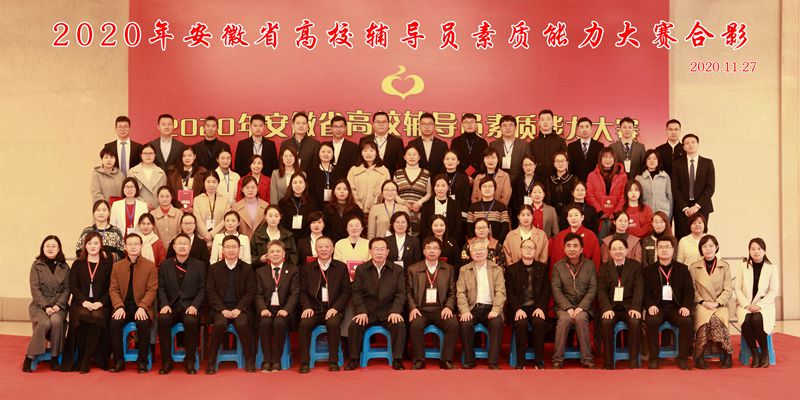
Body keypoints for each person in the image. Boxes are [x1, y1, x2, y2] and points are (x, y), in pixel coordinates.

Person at [345, 237, 407, 370]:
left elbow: (401, 293)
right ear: (370, 251)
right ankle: (354, 359)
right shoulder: (361, 269)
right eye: (376, 249)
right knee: (354, 326)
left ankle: (397, 359)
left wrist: (395, 311)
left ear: (387, 252)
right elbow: (356, 293)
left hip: (388, 312)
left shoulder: (397, 270)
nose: (379, 252)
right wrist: (361, 311)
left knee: (399, 325)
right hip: (368, 312)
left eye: (382, 249)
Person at [298, 236, 351, 372]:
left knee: (333, 324)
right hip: (314, 309)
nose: (323, 249)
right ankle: (305, 362)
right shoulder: (307, 268)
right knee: (304, 324)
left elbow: (346, 291)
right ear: (315, 249)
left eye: (327, 246)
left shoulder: (341, 267)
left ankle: (333, 361)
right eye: (320, 247)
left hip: (333, 309)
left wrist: (335, 308)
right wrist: (307, 307)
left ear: (332, 249)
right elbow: (302, 292)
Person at [61, 232, 113, 373]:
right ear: (85, 246)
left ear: (101, 245)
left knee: (97, 316)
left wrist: (101, 302)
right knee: (82, 317)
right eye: (89, 243)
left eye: (96, 243)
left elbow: (112, 288)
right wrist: (84, 301)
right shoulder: (78, 264)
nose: (92, 246)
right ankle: (84, 356)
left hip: (101, 303)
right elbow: (73, 286)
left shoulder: (108, 264)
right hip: (81, 302)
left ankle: (86, 359)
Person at [205, 235, 258, 373]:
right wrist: (222, 309)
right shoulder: (214, 268)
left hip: (241, 309)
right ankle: (211, 362)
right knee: (220, 324)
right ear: (222, 249)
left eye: (234, 247)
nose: (231, 250)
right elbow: (210, 292)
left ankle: (249, 360)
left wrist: (239, 309)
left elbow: (251, 291)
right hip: (220, 309)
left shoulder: (247, 268)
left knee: (242, 324)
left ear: (239, 249)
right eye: (228, 247)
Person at [156, 233, 206, 374]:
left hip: (190, 306)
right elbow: (161, 288)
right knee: (163, 319)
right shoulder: (165, 265)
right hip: (171, 306)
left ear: (190, 247)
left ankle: (189, 360)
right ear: (174, 246)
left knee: (191, 321)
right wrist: (164, 304)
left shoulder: (199, 265)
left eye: (185, 243)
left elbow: (202, 289)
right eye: (179, 243)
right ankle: (167, 361)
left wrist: (194, 305)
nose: (182, 246)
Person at [406, 237, 459, 370]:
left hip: (440, 309)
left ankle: (446, 360)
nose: (432, 251)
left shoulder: (448, 269)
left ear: (440, 251)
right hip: (421, 309)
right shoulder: (413, 269)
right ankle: (419, 360)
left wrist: (448, 307)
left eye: (435, 248)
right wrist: (413, 307)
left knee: (453, 324)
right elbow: (408, 292)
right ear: (423, 251)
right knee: (416, 325)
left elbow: (453, 292)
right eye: (428, 248)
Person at [108, 233, 158, 373]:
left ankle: (142, 361)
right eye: (130, 244)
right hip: (123, 307)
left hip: (142, 307)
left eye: (136, 244)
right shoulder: (117, 266)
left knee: (143, 323)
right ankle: (119, 360)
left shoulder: (150, 266)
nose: (133, 247)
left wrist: (142, 307)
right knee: (114, 323)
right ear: (125, 247)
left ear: (141, 246)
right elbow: (113, 289)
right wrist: (118, 306)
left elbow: (152, 290)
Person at [643, 236, 694, 370]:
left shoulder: (683, 269)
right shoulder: (649, 270)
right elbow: (645, 292)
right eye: (660, 247)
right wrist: (650, 305)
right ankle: (654, 358)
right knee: (651, 321)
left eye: (667, 247)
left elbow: (689, 291)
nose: (664, 250)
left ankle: (682, 358)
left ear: (673, 250)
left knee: (687, 321)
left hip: (676, 307)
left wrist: (686, 306)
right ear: (656, 250)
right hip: (658, 307)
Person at [23, 236, 70, 373]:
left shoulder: (65, 267)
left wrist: (58, 305)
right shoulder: (36, 266)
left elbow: (67, 289)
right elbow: (35, 288)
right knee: (45, 323)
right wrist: (46, 306)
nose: (50, 248)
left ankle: (54, 357)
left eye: (54, 246)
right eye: (47, 245)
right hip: (40, 305)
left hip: (58, 305)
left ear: (59, 249)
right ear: (43, 248)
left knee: (56, 321)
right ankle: (29, 356)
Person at [457, 240, 506, 369]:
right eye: (475, 250)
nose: (478, 252)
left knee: (496, 323)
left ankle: (493, 361)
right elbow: (460, 292)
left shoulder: (496, 269)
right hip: (472, 308)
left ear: (487, 251)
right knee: (465, 324)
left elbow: (501, 292)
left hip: (491, 308)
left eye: (481, 249)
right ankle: (469, 360)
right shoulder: (464, 270)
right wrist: (465, 311)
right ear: (470, 253)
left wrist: (496, 310)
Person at [551, 233, 597, 369]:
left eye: (575, 246)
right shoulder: (557, 266)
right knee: (564, 319)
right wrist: (568, 307)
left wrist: (581, 307)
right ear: (564, 248)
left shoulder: (590, 265)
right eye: (568, 246)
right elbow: (556, 289)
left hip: (583, 307)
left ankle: (587, 359)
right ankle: (557, 359)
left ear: (581, 249)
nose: (572, 249)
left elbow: (592, 288)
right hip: (563, 307)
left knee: (581, 319)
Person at [598, 238, 644, 369]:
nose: (617, 251)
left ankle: (633, 361)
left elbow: (639, 288)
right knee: (606, 323)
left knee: (635, 322)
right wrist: (606, 308)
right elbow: (601, 290)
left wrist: (635, 308)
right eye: (614, 249)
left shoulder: (635, 266)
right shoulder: (604, 268)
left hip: (629, 306)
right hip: (611, 307)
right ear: (609, 252)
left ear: (626, 250)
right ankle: (608, 362)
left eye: (620, 248)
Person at [688, 235, 733, 369]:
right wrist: (702, 301)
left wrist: (717, 302)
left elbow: (728, 289)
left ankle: (727, 354)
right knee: (706, 320)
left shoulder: (724, 266)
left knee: (717, 318)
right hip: (702, 304)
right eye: (705, 246)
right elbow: (692, 290)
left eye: (711, 246)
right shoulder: (694, 267)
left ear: (716, 247)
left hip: (720, 304)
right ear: (700, 249)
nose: (708, 249)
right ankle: (700, 355)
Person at [505, 238, 550, 370]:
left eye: (531, 248)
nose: (528, 250)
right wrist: (518, 309)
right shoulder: (511, 270)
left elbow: (546, 291)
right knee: (521, 323)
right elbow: (510, 292)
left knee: (538, 322)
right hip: (519, 308)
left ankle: (539, 362)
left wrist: (540, 308)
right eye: (525, 247)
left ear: (536, 251)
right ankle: (520, 362)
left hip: (537, 307)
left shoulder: (543, 268)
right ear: (520, 250)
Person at [255, 240, 300, 372]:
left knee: (279, 323)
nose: (275, 254)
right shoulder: (260, 271)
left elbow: (295, 293)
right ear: (267, 255)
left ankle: (276, 360)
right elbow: (258, 294)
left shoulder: (293, 270)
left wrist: (286, 310)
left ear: (284, 254)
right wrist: (263, 309)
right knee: (265, 323)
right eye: (272, 252)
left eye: (278, 251)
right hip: (267, 309)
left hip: (284, 310)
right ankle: (266, 360)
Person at [736, 238, 779, 368]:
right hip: (745, 305)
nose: (756, 252)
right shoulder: (743, 266)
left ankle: (765, 352)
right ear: (749, 251)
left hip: (765, 305)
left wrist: (759, 305)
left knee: (756, 319)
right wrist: (746, 304)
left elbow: (773, 291)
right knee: (747, 319)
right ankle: (755, 353)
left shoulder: (771, 268)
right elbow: (737, 288)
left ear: (764, 251)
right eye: (753, 249)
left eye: (759, 249)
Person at [672, 133, 715, 240]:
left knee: (701, 239)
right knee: (682, 238)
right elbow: (675, 188)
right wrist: (685, 207)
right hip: (682, 210)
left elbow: (710, 188)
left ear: (698, 144)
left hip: (701, 207)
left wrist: (697, 206)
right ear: (683, 147)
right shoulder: (677, 164)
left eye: (693, 142)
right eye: (687, 143)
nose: (690, 145)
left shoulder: (708, 163)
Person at [587, 147, 628, 239]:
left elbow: (624, 195)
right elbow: (589, 195)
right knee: (600, 242)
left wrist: (616, 212)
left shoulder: (623, 176)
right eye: (605, 157)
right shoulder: (592, 176)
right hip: (599, 217)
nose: (608, 160)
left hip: (616, 217)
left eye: (610, 157)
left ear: (614, 159)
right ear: (600, 159)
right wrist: (600, 212)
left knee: (616, 242)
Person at [395, 146, 432, 234]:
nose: (412, 157)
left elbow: (429, 193)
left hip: (419, 213)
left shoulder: (426, 173)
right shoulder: (398, 173)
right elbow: (393, 193)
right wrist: (403, 203)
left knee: (416, 237)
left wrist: (419, 203)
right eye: (409, 154)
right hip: (401, 214)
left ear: (419, 157)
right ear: (404, 157)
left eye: (415, 154)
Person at [348, 141, 392, 214]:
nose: (368, 153)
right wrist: (357, 203)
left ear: (376, 153)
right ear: (361, 153)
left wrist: (376, 204)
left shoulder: (384, 171)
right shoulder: (354, 170)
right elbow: (350, 189)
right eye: (365, 151)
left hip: (378, 210)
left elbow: (387, 190)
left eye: (371, 151)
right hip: (356, 209)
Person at [419, 174, 464, 243]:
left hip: (450, 241)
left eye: (443, 185)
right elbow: (423, 227)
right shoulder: (426, 205)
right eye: (437, 186)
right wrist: (431, 241)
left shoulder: (455, 205)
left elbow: (458, 227)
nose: (440, 189)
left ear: (448, 187)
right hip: (430, 242)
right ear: (433, 187)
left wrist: (449, 241)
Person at [358, 111, 405, 177]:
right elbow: (359, 161)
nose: (381, 124)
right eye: (378, 122)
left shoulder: (397, 142)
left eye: (384, 122)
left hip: (389, 179)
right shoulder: (364, 140)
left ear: (388, 124)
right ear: (373, 124)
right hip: (367, 177)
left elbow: (401, 164)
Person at [489, 114, 530, 185]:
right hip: (498, 182)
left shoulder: (524, 145)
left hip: (519, 182)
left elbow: (528, 164)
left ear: (516, 127)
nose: (507, 128)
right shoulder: (493, 145)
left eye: (510, 125)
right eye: (504, 125)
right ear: (500, 128)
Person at [467, 177, 511, 243]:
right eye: (484, 186)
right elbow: (469, 228)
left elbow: (505, 228)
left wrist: (498, 243)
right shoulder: (473, 207)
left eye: (490, 186)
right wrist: (475, 243)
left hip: (496, 244)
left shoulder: (501, 207)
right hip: (477, 245)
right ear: (480, 189)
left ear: (494, 189)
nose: (487, 189)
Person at [233, 113, 278, 177]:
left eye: (260, 126)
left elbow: (274, 167)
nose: (258, 128)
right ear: (250, 127)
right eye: (255, 125)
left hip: (266, 180)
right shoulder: (242, 144)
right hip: (247, 180)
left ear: (264, 127)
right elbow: (238, 166)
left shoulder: (270, 145)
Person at [193, 171, 231, 244]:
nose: (211, 185)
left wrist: (212, 234)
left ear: (218, 183)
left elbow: (225, 220)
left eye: (214, 182)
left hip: (219, 238)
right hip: (201, 238)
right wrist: (206, 235)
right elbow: (197, 219)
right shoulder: (197, 199)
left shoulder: (225, 200)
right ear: (204, 183)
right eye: (208, 182)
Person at [407, 112, 449, 177]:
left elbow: (446, 164)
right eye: (423, 124)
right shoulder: (412, 144)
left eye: (430, 124)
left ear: (434, 126)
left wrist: (439, 179)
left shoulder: (442, 145)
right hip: (417, 180)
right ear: (419, 126)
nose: (426, 126)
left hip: (437, 180)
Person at [636, 150, 673, 221]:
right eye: (649, 158)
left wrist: (669, 216)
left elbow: (670, 196)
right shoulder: (639, 178)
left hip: (663, 212)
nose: (652, 161)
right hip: (645, 213)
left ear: (658, 160)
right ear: (645, 161)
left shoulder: (665, 176)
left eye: (654, 158)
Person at [128, 143, 167, 210]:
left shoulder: (161, 173)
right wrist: (143, 204)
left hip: (157, 208)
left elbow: (165, 192)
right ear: (141, 155)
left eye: (151, 153)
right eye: (145, 153)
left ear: (155, 155)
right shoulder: (132, 172)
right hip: (138, 208)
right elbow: (129, 192)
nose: (148, 156)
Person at [529, 109, 567, 177]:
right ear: (539, 123)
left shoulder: (560, 141)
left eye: (548, 119)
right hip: (537, 179)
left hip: (555, 179)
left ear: (553, 122)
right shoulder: (533, 143)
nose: (545, 122)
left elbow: (565, 162)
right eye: (542, 119)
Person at [278, 172, 316, 238]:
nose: (298, 185)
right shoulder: (283, 203)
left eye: (301, 182)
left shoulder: (312, 203)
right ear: (291, 185)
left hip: (306, 238)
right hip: (287, 238)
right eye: (295, 183)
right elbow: (281, 224)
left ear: (305, 184)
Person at [450, 113, 488, 178]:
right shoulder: (455, 141)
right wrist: (465, 177)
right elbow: (453, 160)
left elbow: (484, 162)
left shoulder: (483, 142)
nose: (469, 124)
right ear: (462, 125)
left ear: (476, 125)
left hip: (478, 177)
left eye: (472, 122)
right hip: (460, 176)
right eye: (466, 122)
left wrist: (477, 176)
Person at [509, 155, 545, 222]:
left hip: (537, 212)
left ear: (535, 165)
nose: (528, 167)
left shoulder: (541, 180)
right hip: (520, 214)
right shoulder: (517, 180)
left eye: (530, 164)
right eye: (525, 165)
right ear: (522, 166)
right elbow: (514, 199)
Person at [307, 142, 343, 209]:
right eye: (323, 152)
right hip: (316, 207)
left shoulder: (339, 170)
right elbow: (310, 191)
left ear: (333, 154)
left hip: (335, 207)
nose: (326, 154)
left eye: (329, 152)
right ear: (318, 154)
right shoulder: (312, 170)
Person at [566, 117, 603, 182]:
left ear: (591, 129)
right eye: (581, 127)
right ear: (578, 129)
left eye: (587, 126)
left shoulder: (599, 146)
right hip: (576, 182)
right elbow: (570, 166)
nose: (584, 130)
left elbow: (600, 166)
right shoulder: (571, 146)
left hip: (594, 181)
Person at [546, 152, 577, 218]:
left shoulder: (573, 179)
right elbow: (548, 198)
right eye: (557, 161)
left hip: (569, 214)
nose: (560, 163)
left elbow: (574, 198)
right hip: (552, 214)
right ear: (554, 163)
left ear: (567, 162)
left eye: (563, 161)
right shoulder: (550, 179)